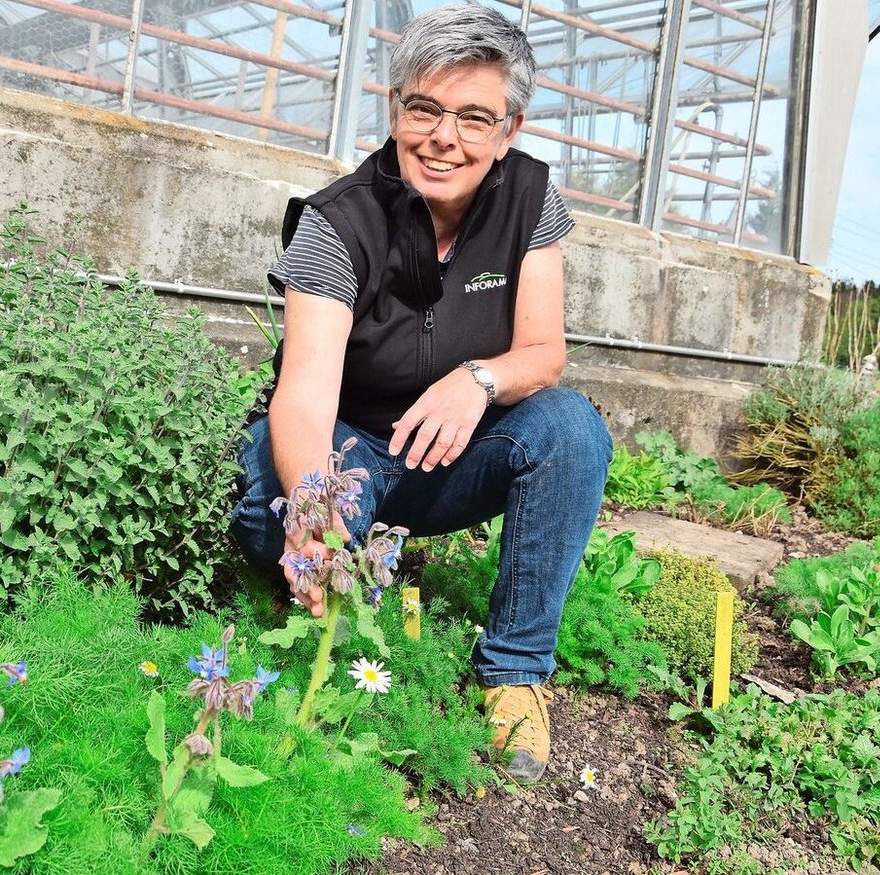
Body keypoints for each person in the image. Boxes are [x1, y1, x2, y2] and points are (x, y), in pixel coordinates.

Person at [229, 3, 611, 784]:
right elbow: (301, 394)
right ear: (394, 109)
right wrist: (314, 508)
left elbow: (544, 352)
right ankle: (338, 567)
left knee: (571, 429)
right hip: (343, 450)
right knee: (277, 526)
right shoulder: (337, 224)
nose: (446, 137)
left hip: (447, 458)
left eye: (476, 117)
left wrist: (478, 380)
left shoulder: (532, 203)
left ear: (509, 130)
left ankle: (514, 673)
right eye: (425, 108)